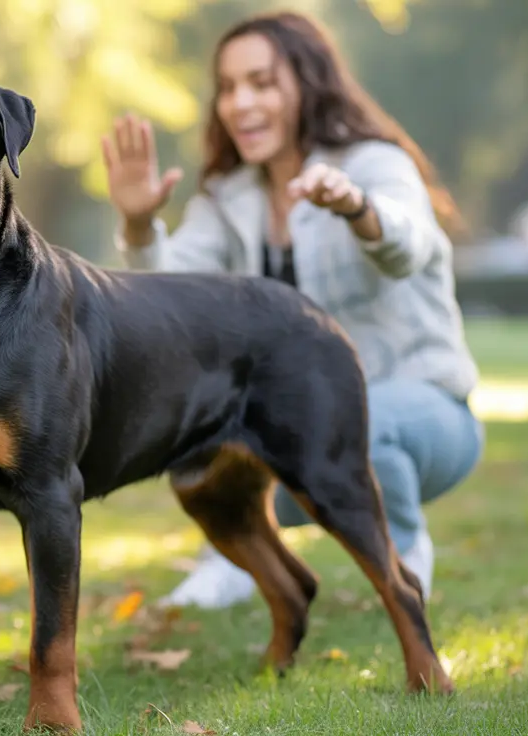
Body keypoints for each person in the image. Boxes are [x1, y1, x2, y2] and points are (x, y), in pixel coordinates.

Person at [101, 9, 485, 609]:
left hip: (425, 414)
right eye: (228, 88)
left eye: (261, 82)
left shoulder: (374, 164)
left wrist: (358, 207)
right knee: (201, 453)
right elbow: (165, 307)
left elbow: (410, 246)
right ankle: (235, 562)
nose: (239, 102)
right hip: (303, 428)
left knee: (366, 422)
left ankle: (403, 560)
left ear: (307, 82)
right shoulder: (229, 198)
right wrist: (138, 220)